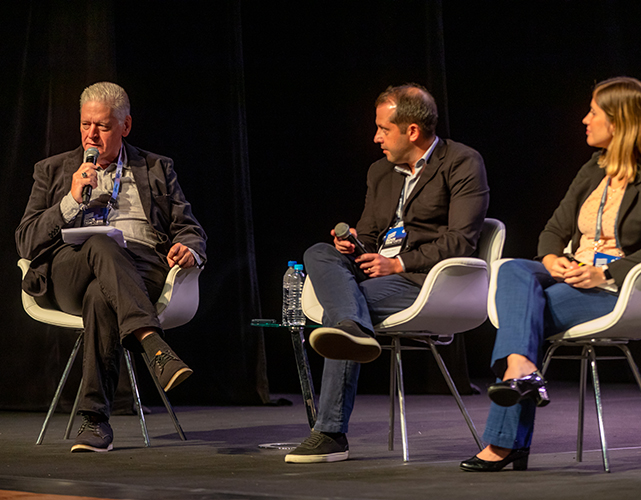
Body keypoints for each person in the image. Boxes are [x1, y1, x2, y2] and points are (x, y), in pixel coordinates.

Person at [284, 83, 490, 463]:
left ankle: (330, 431)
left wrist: (398, 263)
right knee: (319, 252)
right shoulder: (381, 171)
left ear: (411, 130)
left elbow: (461, 241)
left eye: (383, 128)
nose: (376, 137)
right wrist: (353, 245)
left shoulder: (461, 162)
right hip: (376, 272)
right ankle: (353, 327)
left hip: (425, 283)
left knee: (340, 313)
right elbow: (369, 234)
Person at [460, 76, 641, 472]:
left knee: (526, 316)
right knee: (512, 269)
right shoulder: (593, 169)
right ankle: (522, 372)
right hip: (572, 273)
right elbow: (554, 229)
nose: (583, 119)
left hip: (620, 289)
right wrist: (551, 257)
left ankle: (505, 439)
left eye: (593, 112)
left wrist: (606, 273)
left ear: (620, 120)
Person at [15, 82, 207, 453]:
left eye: (102, 126)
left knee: (101, 297)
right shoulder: (53, 170)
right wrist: (70, 201)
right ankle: (153, 346)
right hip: (68, 270)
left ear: (126, 126)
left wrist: (189, 248)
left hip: (140, 268)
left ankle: (95, 421)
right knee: (101, 243)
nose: (92, 135)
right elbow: (25, 240)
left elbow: (190, 227)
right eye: (86, 125)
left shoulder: (155, 168)